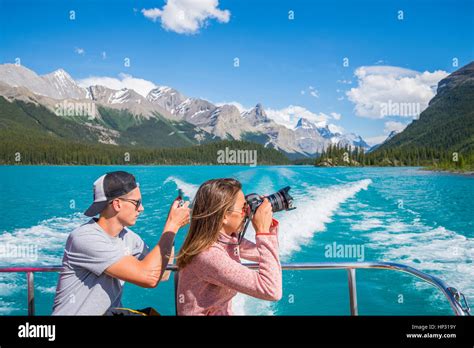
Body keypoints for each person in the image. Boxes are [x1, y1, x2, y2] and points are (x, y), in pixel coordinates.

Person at [52, 171, 190, 315]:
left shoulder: (130, 238)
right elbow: (149, 278)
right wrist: (172, 225)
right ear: (117, 204)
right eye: (137, 203)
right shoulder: (85, 238)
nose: (141, 209)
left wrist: (171, 233)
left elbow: (163, 274)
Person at [176, 178, 282, 315]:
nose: (248, 213)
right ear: (225, 216)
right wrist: (262, 230)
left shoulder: (226, 239)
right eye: (244, 208)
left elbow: (268, 255)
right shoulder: (208, 255)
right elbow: (272, 291)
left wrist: (268, 225)